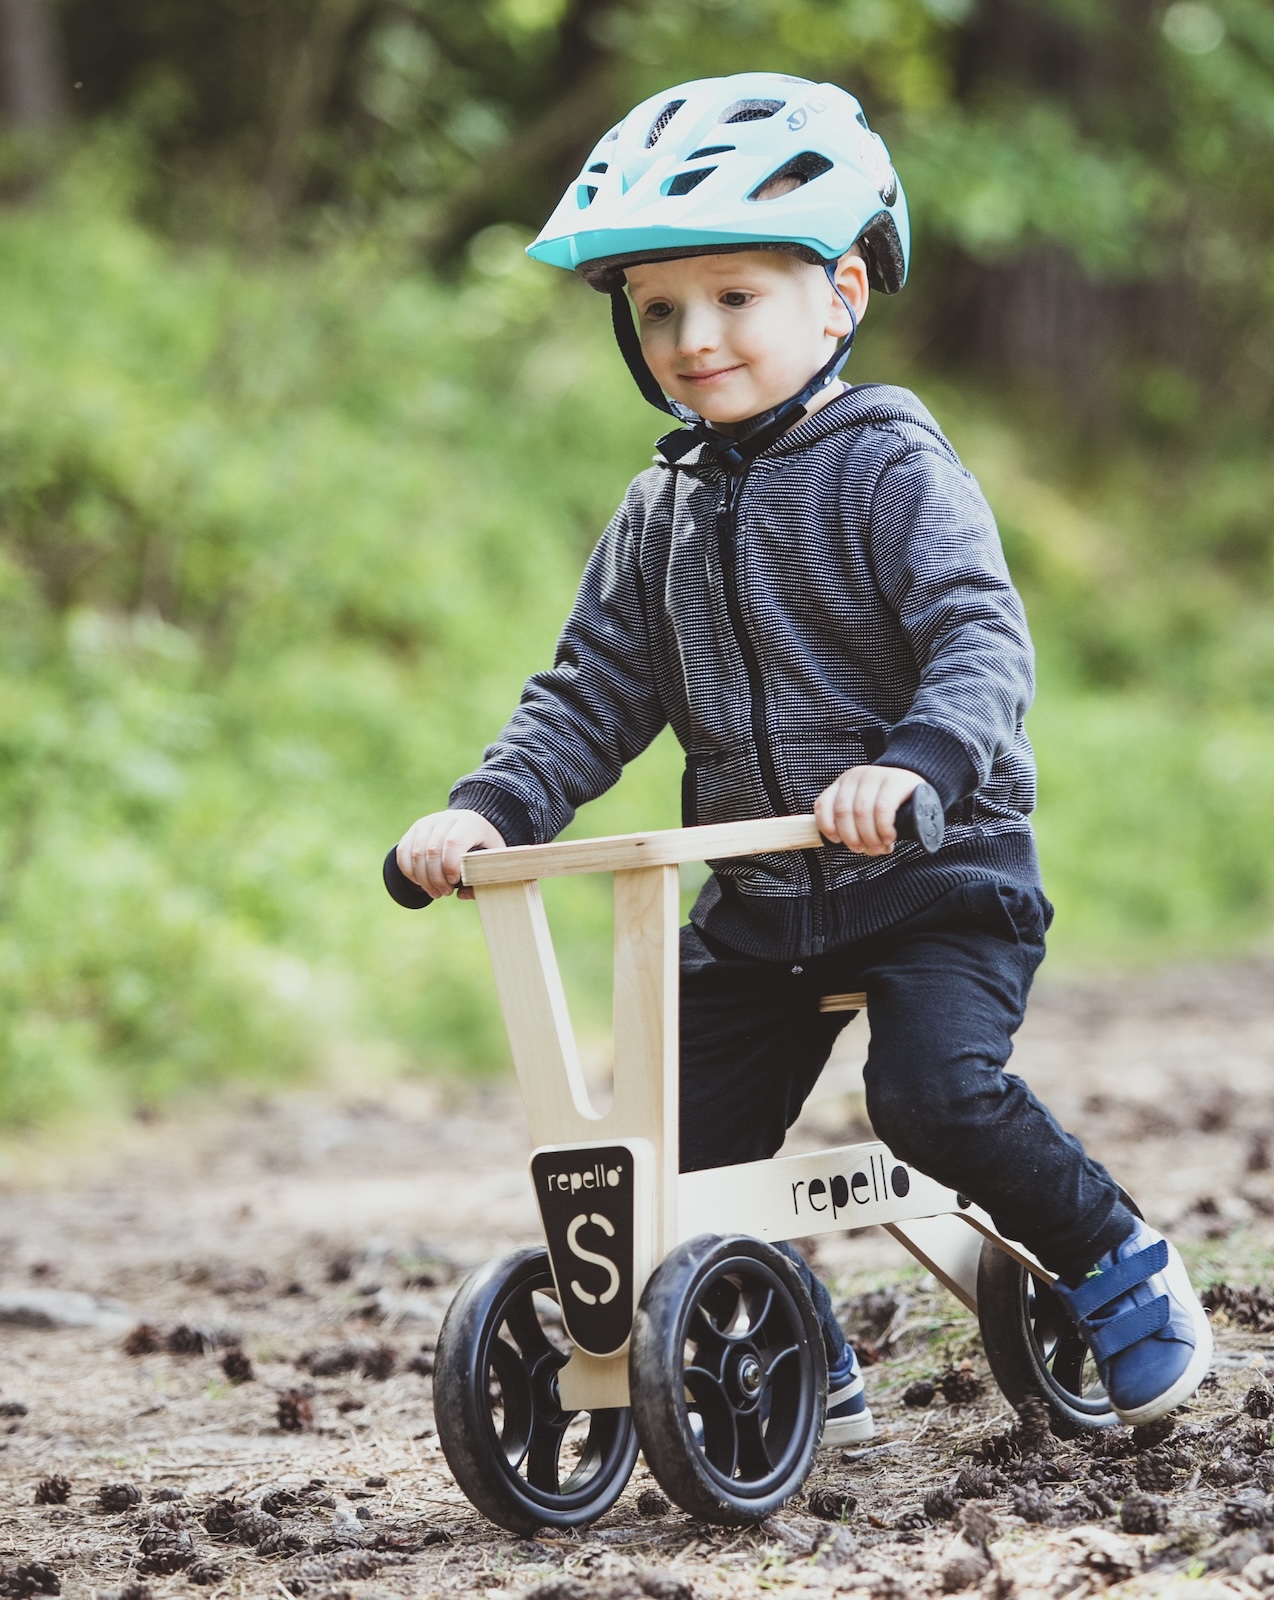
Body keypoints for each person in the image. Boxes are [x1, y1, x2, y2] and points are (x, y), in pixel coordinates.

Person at [395, 72, 1211, 1443]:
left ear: (837, 297)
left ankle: (1113, 1254)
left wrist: (919, 764)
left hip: (934, 883)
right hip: (761, 902)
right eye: (659, 310)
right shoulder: (657, 512)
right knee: (659, 1154)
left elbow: (979, 640)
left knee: (933, 1100)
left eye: (734, 299)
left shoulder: (889, 465)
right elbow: (591, 691)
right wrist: (487, 807)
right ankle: (785, 1351)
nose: (692, 338)